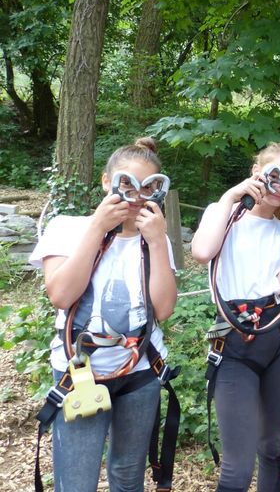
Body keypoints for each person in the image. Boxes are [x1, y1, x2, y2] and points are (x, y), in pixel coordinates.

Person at [29, 137, 178, 492]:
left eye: (146, 188)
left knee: (128, 477)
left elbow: (164, 309)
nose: (135, 196)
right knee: (76, 483)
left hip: (141, 370)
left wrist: (158, 241)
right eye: (126, 184)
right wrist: (97, 227)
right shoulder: (66, 226)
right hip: (80, 372)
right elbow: (61, 295)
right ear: (106, 181)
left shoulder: (154, 237)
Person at [191, 142, 280, 492]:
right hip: (234, 343)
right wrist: (232, 196)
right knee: (237, 468)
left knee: (273, 447)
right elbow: (202, 251)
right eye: (274, 175)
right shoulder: (224, 213)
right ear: (256, 172)